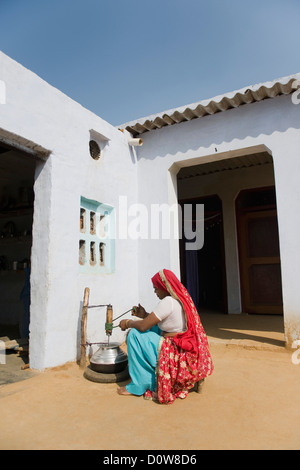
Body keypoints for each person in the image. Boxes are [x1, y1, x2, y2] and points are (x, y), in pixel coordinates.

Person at [118, 269, 213, 404]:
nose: (155, 291)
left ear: (164, 287)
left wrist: (127, 323)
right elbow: (166, 322)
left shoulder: (168, 301)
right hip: (181, 345)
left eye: (156, 288)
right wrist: (145, 315)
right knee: (154, 328)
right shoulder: (177, 300)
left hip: (173, 348)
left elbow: (144, 326)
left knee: (133, 334)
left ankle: (141, 383)